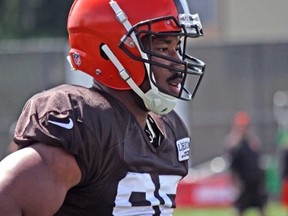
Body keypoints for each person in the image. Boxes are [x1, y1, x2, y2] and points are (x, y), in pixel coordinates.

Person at [0, 0, 205, 215]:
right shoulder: (88, 124)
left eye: (176, 47)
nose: (179, 63)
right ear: (109, 52)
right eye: (163, 48)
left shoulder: (171, 130)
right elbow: (6, 196)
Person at [224, 111, 267, 216]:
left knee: (261, 206)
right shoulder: (234, 143)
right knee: (240, 208)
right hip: (243, 181)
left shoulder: (251, 141)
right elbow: (232, 164)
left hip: (255, 181)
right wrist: (235, 181)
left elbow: (257, 160)